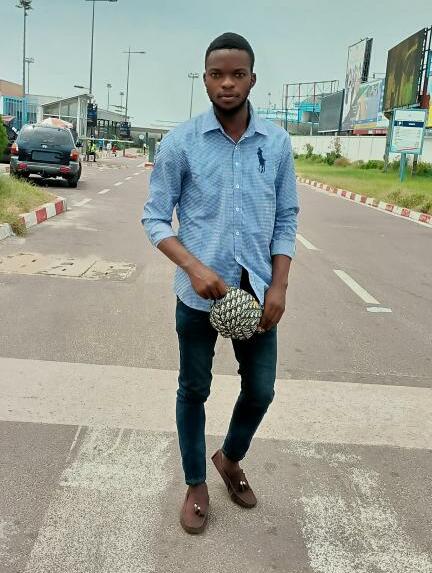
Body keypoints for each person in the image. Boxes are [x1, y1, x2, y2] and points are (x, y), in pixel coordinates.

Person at [142, 32, 298, 535]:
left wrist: (278, 285)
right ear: (205, 79)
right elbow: (154, 219)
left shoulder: (276, 143)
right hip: (197, 297)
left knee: (261, 390)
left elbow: (286, 217)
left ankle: (229, 458)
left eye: (237, 74)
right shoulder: (180, 143)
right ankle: (195, 483)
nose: (227, 83)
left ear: (252, 79)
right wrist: (193, 266)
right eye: (217, 74)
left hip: (256, 295)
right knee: (194, 389)